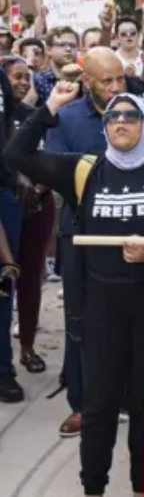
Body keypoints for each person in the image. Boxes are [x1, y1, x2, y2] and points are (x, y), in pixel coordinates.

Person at [7, 82, 144, 497]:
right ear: (104, 127)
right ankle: (94, 487)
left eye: (130, 115)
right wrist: (50, 106)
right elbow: (14, 155)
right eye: (112, 117)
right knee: (97, 408)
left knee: (143, 406)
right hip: (99, 308)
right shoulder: (83, 169)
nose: (120, 122)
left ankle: (142, 486)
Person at [43, 47, 144, 436]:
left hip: (137, 239)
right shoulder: (65, 118)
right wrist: (108, 167)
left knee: (135, 322)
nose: (117, 87)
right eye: (107, 81)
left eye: (120, 79)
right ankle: (83, 404)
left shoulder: (143, 112)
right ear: (87, 82)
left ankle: (134, 400)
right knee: (80, 322)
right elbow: (54, 168)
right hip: (82, 237)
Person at [2, 57, 54, 376]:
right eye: (16, 77)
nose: (23, 82)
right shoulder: (4, 119)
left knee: (32, 277)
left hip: (39, 202)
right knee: (8, 274)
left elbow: (54, 155)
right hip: (8, 202)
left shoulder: (37, 117)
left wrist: (40, 186)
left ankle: (27, 345)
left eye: (27, 77)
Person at [0, 66, 24, 403]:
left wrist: (14, 170)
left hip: (3, 189)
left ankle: (3, 368)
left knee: (5, 281)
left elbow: (8, 126)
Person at [34, 26, 80, 103]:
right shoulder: (37, 80)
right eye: (62, 45)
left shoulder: (83, 80)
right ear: (48, 50)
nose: (68, 49)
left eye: (72, 46)